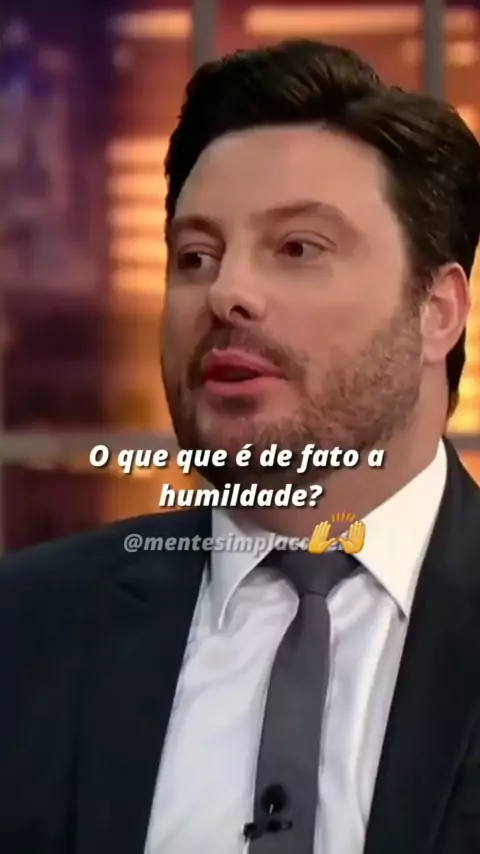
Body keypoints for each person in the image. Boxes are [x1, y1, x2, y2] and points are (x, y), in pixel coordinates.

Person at [1, 38, 480, 854]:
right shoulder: (23, 632)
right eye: (195, 257)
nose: (226, 293)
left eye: (298, 248)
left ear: (437, 312)